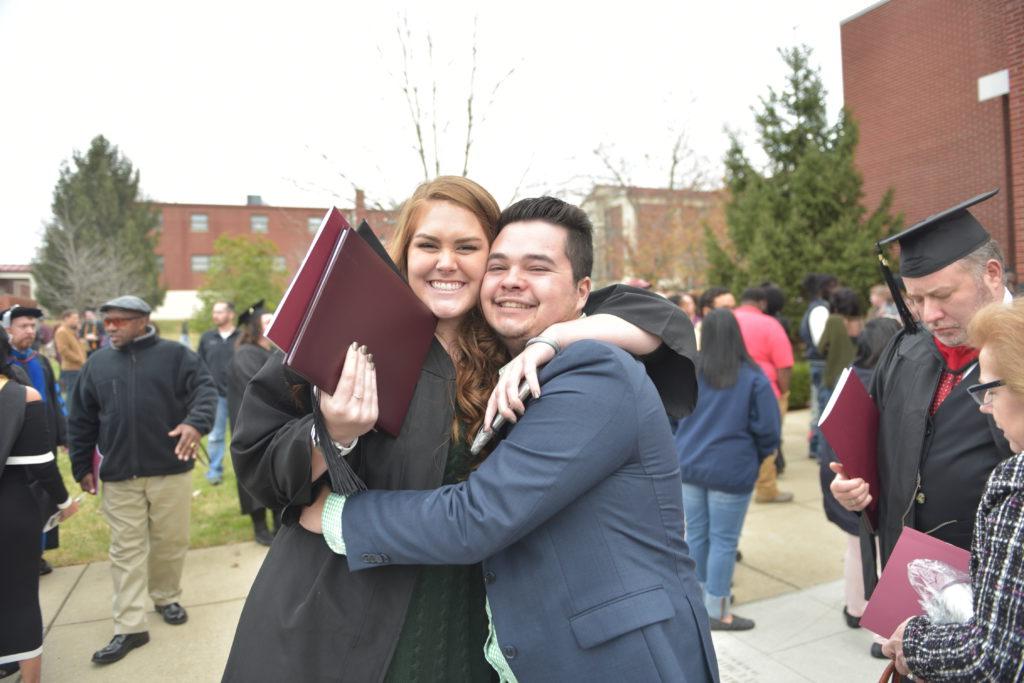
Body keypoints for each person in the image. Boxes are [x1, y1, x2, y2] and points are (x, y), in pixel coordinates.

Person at [224, 179, 703, 682]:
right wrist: (332, 434)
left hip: (476, 621)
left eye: (469, 248)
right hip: (345, 614)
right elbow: (258, 461)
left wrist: (557, 338)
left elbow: (659, 318)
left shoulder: (512, 342)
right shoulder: (343, 332)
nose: (446, 263)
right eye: (427, 245)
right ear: (402, 253)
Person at [829, 190, 1016, 659]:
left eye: (943, 295)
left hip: (998, 599)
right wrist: (855, 488)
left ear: (991, 275)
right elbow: (879, 451)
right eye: (915, 300)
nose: (929, 315)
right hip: (911, 585)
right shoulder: (906, 350)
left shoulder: (1019, 351)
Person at [67, 295, 217, 665]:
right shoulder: (97, 364)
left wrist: (194, 423)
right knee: (126, 551)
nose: (111, 327)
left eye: (119, 320)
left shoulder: (177, 356)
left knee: (171, 542)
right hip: (119, 475)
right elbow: (82, 418)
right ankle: (130, 625)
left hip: (170, 469)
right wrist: (81, 465)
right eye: (107, 322)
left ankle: (166, 596)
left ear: (143, 320)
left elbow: (206, 391)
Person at [882, 298, 1024, 680]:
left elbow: (991, 659)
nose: (984, 407)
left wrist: (911, 640)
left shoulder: (1016, 495)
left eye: (990, 391)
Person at [675, 309, 780, 631]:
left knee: (697, 535)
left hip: (689, 466)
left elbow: (671, 416)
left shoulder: (687, 371)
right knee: (723, 541)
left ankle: (699, 601)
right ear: (737, 335)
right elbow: (768, 431)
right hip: (731, 470)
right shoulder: (753, 377)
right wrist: (757, 456)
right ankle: (718, 610)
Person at [0, 328, 80, 683]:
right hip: (11, 510)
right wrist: (63, 503)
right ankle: (30, 678)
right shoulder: (22, 397)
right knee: (19, 595)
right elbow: (42, 466)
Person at [817, 317, 900, 629]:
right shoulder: (895, 381)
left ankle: (855, 609)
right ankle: (883, 634)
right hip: (878, 484)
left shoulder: (849, 378)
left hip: (842, 477)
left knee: (855, 547)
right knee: (887, 554)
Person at [3, 305, 67, 573]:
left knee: (43, 500)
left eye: (33, 326)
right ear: (7, 330)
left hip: (44, 443)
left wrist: (63, 435)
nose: (30, 331)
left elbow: (54, 399)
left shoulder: (39, 361)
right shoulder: (6, 365)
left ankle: (37, 554)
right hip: (13, 449)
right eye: (23, 326)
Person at [732, 287, 794, 503]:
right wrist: (784, 392)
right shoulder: (770, 324)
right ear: (762, 303)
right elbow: (784, 365)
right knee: (768, 440)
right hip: (766, 391)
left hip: (729, 391)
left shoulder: (727, 320)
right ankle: (766, 489)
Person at [226, 301, 278, 546]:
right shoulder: (246, 353)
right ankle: (260, 526)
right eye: (266, 321)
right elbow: (259, 386)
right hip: (251, 425)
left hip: (274, 421)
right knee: (253, 475)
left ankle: (279, 522)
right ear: (255, 327)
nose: (272, 323)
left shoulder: (271, 351)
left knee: (276, 471)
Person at [197, 301, 238, 486]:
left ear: (231, 314)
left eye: (220, 312)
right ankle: (214, 471)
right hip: (216, 395)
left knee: (244, 434)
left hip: (240, 394)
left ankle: (246, 472)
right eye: (214, 312)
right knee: (215, 435)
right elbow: (199, 364)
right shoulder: (207, 338)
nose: (215, 315)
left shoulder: (242, 337)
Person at [800, 273, 838, 459]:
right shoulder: (820, 310)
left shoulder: (816, 308)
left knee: (819, 406)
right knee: (824, 407)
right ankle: (820, 448)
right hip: (823, 364)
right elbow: (822, 343)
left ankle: (816, 446)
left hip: (819, 363)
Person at [818, 288, 864, 413]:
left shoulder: (833, 320)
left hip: (833, 377)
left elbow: (821, 347)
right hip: (856, 380)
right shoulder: (862, 321)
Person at [54, 309, 87, 399]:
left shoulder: (72, 331)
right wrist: (80, 360)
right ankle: (69, 412)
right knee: (72, 393)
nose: (77, 320)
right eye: (75, 318)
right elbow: (64, 351)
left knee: (78, 393)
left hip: (78, 366)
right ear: (66, 318)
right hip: (71, 368)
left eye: (77, 318)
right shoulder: (62, 331)